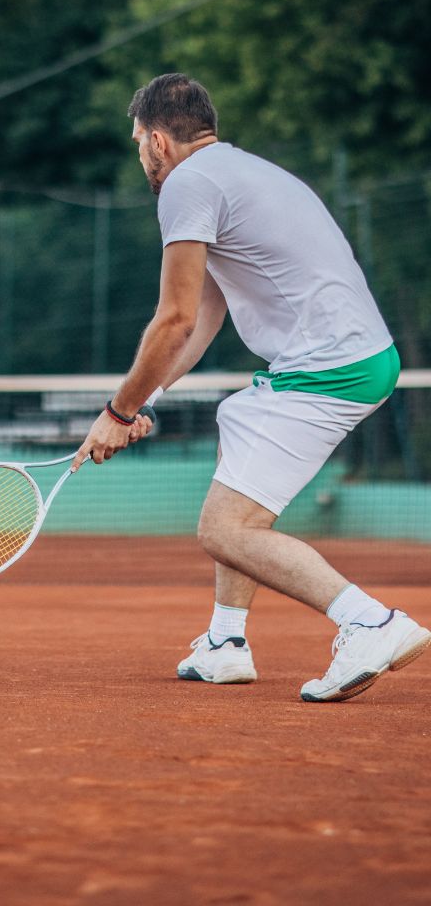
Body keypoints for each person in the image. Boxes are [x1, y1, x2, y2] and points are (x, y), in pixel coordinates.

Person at [74, 72, 430, 703]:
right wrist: (146, 400)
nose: (140, 157)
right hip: (356, 358)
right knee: (234, 458)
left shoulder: (185, 184)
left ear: (158, 140)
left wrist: (117, 411)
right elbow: (204, 313)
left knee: (224, 529)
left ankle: (369, 622)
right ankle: (225, 642)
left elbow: (173, 319)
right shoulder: (243, 173)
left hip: (327, 369)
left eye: (137, 143)